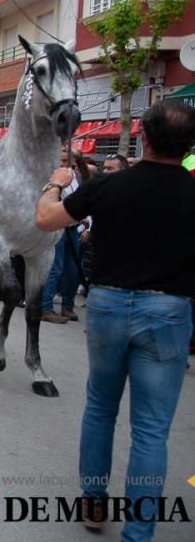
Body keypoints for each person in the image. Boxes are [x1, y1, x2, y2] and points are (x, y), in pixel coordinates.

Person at [35, 100, 195, 540]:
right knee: (151, 429)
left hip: (107, 305)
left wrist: (55, 183)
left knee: (101, 408)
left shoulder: (111, 185)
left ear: (143, 137)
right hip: (168, 310)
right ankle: (138, 532)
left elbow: (47, 218)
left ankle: (94, 502)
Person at [41, 150, 89, 323]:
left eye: (65, 160)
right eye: (60, 159)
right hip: (58, 228)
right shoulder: (52, 178)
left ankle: (67, 306)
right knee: (56, 268)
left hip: (73, 227)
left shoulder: (78, 178)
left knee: (73, 269)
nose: (62, 163)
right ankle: (45, 307)